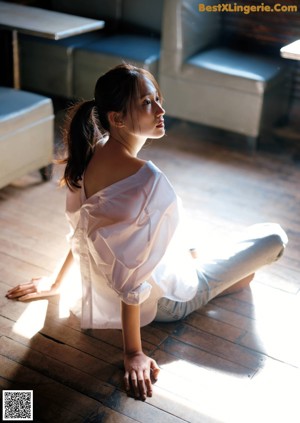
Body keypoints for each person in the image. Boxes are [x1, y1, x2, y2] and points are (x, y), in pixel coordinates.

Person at [6, 64, 288, 401]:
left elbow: (82, 233)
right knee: (273, 238)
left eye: (157, 99)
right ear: (117, 119)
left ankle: (206, 267)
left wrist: (57, 282)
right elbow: (130, 281)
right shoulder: (149, 182)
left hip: (126, 284)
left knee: (211, 256)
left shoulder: (91, 151)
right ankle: (209, 277)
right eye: (146, 103)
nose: (161, 110)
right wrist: (133, 352)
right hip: (168, 302)